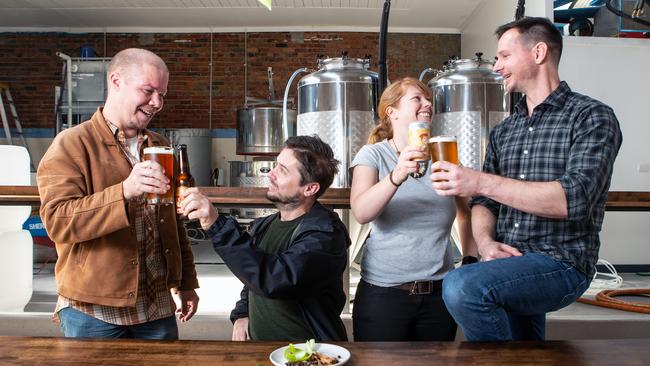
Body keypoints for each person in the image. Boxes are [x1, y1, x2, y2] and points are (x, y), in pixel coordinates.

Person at [432, 17, 623, 341]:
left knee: (462, 285)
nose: (497, 66)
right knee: (527, 345)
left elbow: (571, 200)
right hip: (508, 260)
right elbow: (484, 202)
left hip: (562, 263)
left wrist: (478, 181)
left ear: (538, 52)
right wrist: (487, 244)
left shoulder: (591, 116)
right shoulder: (505, 130)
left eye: (505, 56)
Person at [37, 48, 199, 339]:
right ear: (116, 81)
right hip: (94, 310)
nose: (157, 103)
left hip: (157, 307)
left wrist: (186, 281)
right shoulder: (71, 144)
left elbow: (173, 224)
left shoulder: (159, 145)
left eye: (162, 94)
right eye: (148, 90)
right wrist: (124, 191)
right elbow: (58, 222)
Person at [179, 135, 350, 341]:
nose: (271, 174)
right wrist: (243, 312)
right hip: (262, 351)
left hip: (310, 354)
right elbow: (251, 275)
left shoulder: (326, 234)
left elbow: (275, 278)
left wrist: (218, 225)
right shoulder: (265, 225)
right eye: (276, 165)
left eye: (283, 170)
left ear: (310, 188)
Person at [349, 77, 477, 341]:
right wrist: (397, 174)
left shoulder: (444, 155)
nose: (427, 103)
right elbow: (361, 211)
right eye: (417, 98)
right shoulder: (372, 155)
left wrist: (470, 262)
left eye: (428, 99)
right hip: (383, 295)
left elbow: (467, 212)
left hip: (440, 295)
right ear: (391, 112)